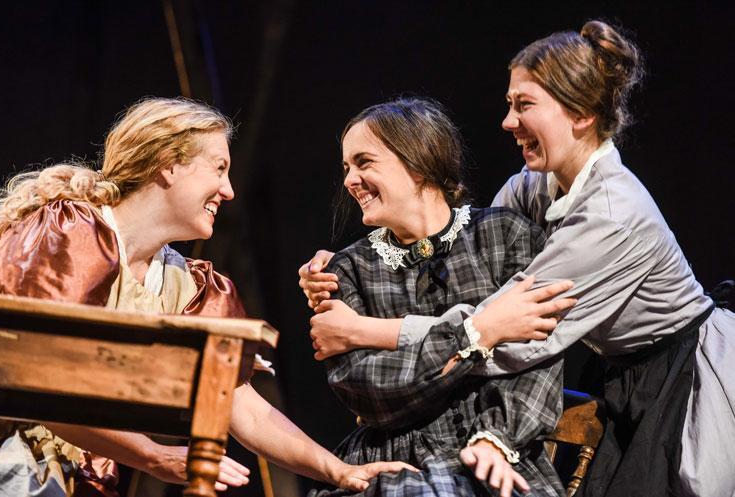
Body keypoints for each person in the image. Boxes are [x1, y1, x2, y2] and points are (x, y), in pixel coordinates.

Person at [299, 20, 735, 497]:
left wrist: (364, 330)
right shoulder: (537, 184)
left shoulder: (611, 215)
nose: (507, 121)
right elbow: (471, 249)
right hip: (618, 372)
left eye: (524, 105)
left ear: (580, 114)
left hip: (678, 375)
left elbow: (515, 329)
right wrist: (348, 261)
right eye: (509, 105)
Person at [0, 97, 413, 497]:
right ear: (169, 165)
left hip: (79, 478)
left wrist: (338, 471)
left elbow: (240, 405)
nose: (228, 191)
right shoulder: (72, 231)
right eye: (218, 168)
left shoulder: (187, 285)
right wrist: (154, 456)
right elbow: (36, 376)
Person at [305, 98, 579, 497]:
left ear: (417, 162)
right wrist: (478, 337)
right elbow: (367, 388)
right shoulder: (349, 269)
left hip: (496, 451)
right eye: (347, 167)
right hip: (392, 462)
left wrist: (495, 438)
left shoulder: (505, 237)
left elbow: (538, 356)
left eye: (364, 163)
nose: (349, 180)